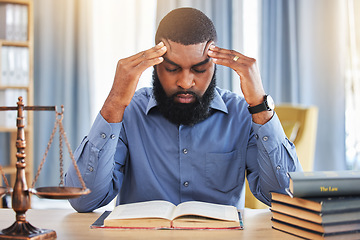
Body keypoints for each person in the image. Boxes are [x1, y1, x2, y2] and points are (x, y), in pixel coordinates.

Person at [65, 7, 302, 212]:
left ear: (215, 64)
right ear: (155, 65)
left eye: (199, 70)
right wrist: (115, 101)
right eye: (172, 68)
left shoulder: (241, 114)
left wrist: (259, 104)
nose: (186, 82)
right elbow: (83, 200)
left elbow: (286, 197)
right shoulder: (129, 112)